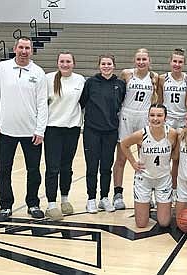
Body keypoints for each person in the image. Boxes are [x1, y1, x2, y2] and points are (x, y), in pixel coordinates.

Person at [0, 36, 48, 222]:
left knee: (34, 170)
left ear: (32, 51)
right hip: (5, 131)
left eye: (27, 48)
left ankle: (33, 203)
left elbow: (42, 104)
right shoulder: (2, 68)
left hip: (31, 133)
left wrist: (40, 130)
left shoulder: (38, 72)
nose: (24, 51)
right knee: (3, 170)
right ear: (15, 49)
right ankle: (5, 206)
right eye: (21, 47)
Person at [112, 48, 159, 210]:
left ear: (149, 61)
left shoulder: (154, 77)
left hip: (144, 117)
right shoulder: (127, 74)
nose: (141, 62)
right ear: (134, 60)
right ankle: (117, 194)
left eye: (144, 59)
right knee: (121, 157)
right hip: (126, 116)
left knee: (145, 158)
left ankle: (146, 194)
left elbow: (157, 98)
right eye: (138, 59)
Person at [79, 54, 126, 214]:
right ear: (99, 66)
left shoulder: (120, 84)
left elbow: (121, 105)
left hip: (111, 132)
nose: (106, 66)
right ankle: (91, 199)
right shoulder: (91, 83)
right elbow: (82, 102)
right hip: (92, 131)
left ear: (114, 66)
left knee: (106, 167)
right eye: (103, 64)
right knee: (92, 167)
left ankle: (104, 198)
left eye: (109, 64)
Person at [120, 104, 178, 228]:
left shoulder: (172, 134)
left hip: (163, 180)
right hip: (144, 179)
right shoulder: (141, 134)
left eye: (159, 115)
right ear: (148, 117)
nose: (155, 118)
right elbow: (124, 144)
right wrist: (133, 162)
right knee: (141, 224)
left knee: (164, 222)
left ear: (165, 118)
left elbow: (175, 154)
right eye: (152, 115)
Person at [44, 51, 86, 221]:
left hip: (72, 129)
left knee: (66, 167)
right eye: (62, 61)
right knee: (52, 168)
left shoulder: (80, 80)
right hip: (52, 129)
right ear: (57, 63)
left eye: (68, 61)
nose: (65, 64)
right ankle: (51, 204)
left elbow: (82, 103)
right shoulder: (48, 79)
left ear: (73, 64)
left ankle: (65, 199)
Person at [158, 48, 187, 203]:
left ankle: (175, 190)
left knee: (178, 159)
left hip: (183, 122)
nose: (177, 64)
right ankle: (159, 189)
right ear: (170, 62)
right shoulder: (163, 79)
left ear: (184, 63)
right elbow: (160, 101)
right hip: (168, 121)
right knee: (163, 157)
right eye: (174, 61)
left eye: (180, 62)